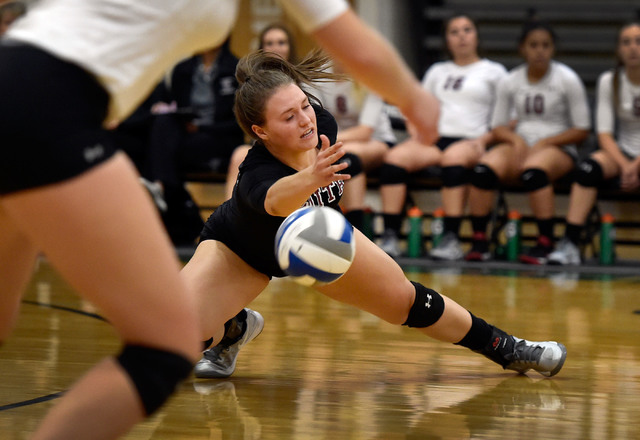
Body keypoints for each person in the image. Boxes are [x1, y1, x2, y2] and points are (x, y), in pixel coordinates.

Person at [0, 0, 443, 438]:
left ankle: (230, 321)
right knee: (162, 348)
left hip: (16, 87)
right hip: (47, 112)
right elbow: (358, 48)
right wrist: (414, 98)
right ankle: (228, 312)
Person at [188, 50, 567, 383]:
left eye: (304, 105)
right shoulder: (258, 170)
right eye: (288, 117)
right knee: (174, 334)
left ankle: (509, 348)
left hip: (320, 244)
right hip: (241, 250)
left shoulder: (321, 124)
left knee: (407, 301)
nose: (306, 120)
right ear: (261, 131)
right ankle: (233, 329)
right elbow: (272, 202)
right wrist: (310, 178)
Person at [377, 14, 507, 259]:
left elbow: (508, 117)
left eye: (467, 30)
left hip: (471, 140)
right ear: (447, 39)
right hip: (436, 140)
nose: (461, 36)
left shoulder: (494, 71)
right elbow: (418, 107)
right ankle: (391, 236)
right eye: (454, 32)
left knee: (453, 161)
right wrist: (417, 132)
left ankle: (451, 239)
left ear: (477, 35)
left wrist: (485, 141)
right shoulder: (438, 71)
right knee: (394, 159)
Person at [465, 20, 591, 264]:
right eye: (533, 45)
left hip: (558, 147)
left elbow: (582, 130)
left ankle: (545, 242)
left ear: (553, 49)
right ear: (522, 48)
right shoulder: (511, 80)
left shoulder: (567, 79)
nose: (540, 51)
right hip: (521, 142)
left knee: (535, 172)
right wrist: (515, 140)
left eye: (545, 45)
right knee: (482, 170)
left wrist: (547, 142)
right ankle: (480, 242)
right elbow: (498, 126)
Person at [547, 22, 640, 265]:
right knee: (587, 170)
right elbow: (604, 134)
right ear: (618, 49)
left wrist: (635, 165)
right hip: (622, 152)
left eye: (638, 41)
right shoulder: (610, 80)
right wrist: (625, 164)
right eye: (626, 42)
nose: (633, 48)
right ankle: (570, 243)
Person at [314, 58, 397, 231]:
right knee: (331, 158)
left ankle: (355, 231)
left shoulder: (369, 77)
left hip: (376, 141)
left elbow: (365, 132)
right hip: (333, 143)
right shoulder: (320, 75)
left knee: (345, 158)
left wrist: (329, 141)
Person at [224, 22, 299, 200]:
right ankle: (227, 221)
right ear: (262, 48)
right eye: (270, 43)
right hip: (265, 144)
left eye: (281, 42)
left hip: (297, 146)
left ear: (290, 47)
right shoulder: (252, 84)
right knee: (239, 156)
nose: (276, 48)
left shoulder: (302, 80)